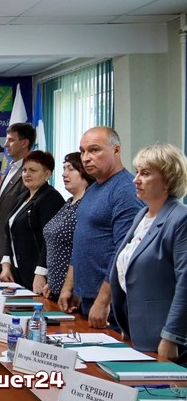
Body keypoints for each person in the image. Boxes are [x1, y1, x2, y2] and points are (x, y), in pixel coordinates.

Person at [60, 127, 143, 328]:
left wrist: (104, 300)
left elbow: (123, 251)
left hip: (111, 304)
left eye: (94, 150)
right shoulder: (93, 189)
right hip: (86, 297)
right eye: (82, 151)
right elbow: (80, 242)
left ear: (116, 150)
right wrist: (70, 286)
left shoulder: (125, 190)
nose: (86, 158)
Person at [109, 144, 187, 357]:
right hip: (134, 330)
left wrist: (171, 336)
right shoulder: (142, 215)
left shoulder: (180, 218)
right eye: (137, 172)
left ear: (168, 180)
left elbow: (185, 283)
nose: (136, 180)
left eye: (145, 173)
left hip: (163, 337)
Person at [0, 151, 64, 291]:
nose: (27, 174)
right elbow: (9, 232)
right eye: (24, 170)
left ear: (47, 174)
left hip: (38, 276)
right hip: (17, 273)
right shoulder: (22, 197)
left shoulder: (50, 198)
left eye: (33, 170)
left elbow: (50, 239)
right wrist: (6, 264)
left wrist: (41, 272)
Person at [40, 152, 94, 300]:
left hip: (75, 290)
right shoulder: (69, 202)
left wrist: (70, 287)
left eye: (70, 169)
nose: (64, 174)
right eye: (64, 169)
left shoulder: (88, 204)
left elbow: (84, 249)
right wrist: (52, 281)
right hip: (56, 287)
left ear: (84, 172)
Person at [0, 123, 34, 265]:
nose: (5, 144)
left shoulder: (30, 172)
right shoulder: (11, 168)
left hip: (17, 255)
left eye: (11, 140)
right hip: (2, 250)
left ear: (24, 143)